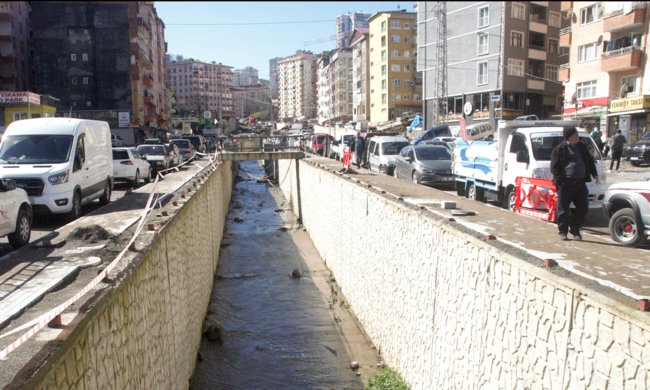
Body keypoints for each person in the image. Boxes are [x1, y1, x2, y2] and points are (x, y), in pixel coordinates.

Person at [550, 127, 600, 241]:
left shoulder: (581, 147)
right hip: (566, 184)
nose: (577, 137)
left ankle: (575, 230)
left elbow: (590, 161)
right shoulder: (560, 149)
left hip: (580, 184)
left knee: (583, 208)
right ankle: (563, 231)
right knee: (563, 209)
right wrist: (559, 181)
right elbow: (554, 167)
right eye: (574, 135)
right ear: (568, 137)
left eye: (577, 135)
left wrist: (595, 175)